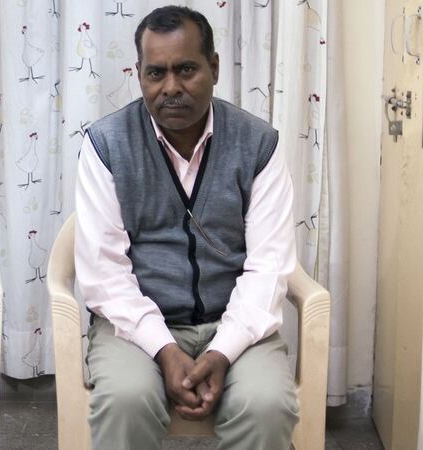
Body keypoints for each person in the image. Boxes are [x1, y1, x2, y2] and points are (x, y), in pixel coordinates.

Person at [74, 6, 298, 449]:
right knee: (125, 400)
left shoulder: (259, 144)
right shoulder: (106, 144)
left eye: (187, 70)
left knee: (266, 405)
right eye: (156, 73)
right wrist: (164, 348)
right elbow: (104, 273)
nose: (171, 87)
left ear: (214, 68)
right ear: (140, 74)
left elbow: (268, 265)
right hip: (135, 327)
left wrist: (223, 350)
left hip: (236, 320)